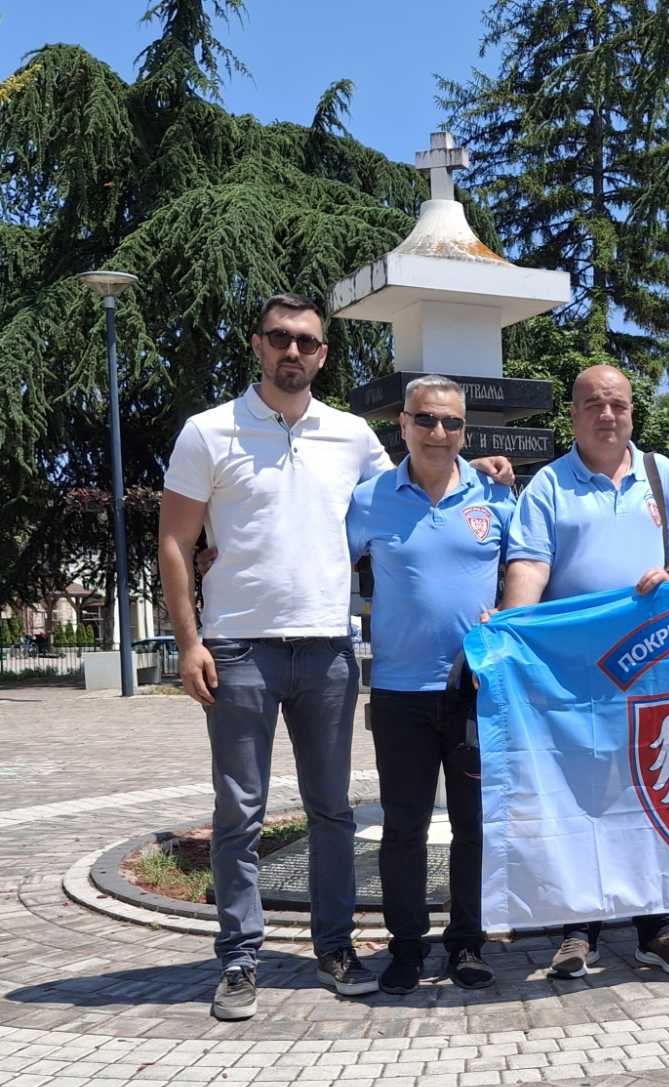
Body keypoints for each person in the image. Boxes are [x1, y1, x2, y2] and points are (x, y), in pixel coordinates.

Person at [157, 292, 512, 1022]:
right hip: (239, 648)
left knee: (332, 813)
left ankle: (335, 949)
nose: (293, 351)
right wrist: (189, 641)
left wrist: (480, 468)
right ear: (258, 344)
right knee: (240, 812)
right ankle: (240, 958)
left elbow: (419, 486)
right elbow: (175, 539)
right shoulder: (208, 431)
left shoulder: (350, 437)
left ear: (322, 354)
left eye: (307, 341)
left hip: (328, 650)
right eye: (280, 338)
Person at [500, 363, 669, 979]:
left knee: (654, 793)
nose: (607, 414)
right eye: (593, 403)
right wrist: (511, 633)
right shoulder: (549, 485)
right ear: (573, 415)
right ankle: (578, 928)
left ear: (632, 412)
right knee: (581, 796)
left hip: (655, 672)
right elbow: (529, 565)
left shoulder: (661, 474)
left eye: (617, 403)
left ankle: (656, 927)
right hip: (578, 676)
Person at [346, 375, 514, 995]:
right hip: (399, 692)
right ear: (403, 425)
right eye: (425, 420)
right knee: (404, 826)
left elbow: (531, 571)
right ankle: (407, 946)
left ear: (465, 430)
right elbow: (323, 564)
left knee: (475, 827)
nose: (438, 432)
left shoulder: (496, 495)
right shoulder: (369, 499)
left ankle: (467, 942)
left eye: (451, 422)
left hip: (477, 692)